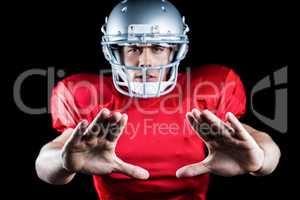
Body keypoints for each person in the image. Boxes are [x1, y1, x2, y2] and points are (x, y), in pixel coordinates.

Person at [35, 0, 281, 199]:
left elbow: (258, 142)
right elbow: (47, 160)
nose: (145, 62)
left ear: (176, 50)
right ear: (115, 52)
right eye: (133, 48)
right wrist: (63, 163)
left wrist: (261, 161)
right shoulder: (87, 95)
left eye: (158, 47)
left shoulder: (208, 89)